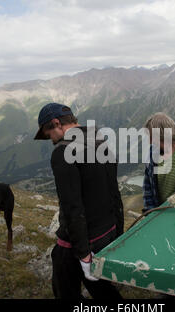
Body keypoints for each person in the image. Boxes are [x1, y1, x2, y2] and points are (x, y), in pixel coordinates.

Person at [34, 102, 123, 299]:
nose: (50, 140)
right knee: (102, 288)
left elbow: (72, 207)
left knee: (64, 290)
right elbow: (114, 192)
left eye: (48, 133)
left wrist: (83, 254)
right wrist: (118, 233)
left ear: (56, 123)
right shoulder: (99, 140)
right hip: (107, 232)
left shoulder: (63, 152)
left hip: (80, 242)